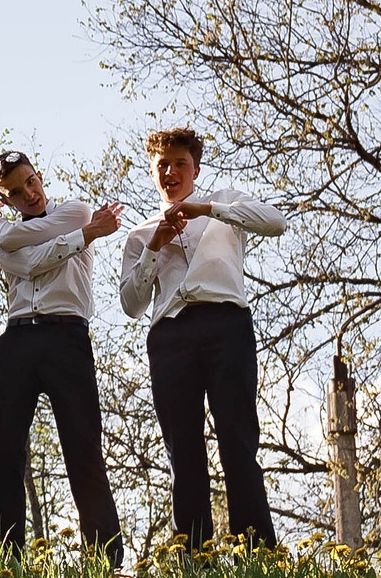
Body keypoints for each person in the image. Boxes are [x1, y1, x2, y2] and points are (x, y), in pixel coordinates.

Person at [118, 125, 287, 550]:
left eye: (180, 164)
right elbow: (132, 305)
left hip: (226, 325)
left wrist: (208, 209)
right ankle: (195, 557)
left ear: (195, 169)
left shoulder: (226, 203)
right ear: (152, 171)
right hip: (170, 337)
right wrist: (154, 246)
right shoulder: (140, 234)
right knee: (182, 449)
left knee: (238, 438)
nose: (171, 172)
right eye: (162, 165)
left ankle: (257, 552)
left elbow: (275, 222)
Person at [0, 147, 126, 565]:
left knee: (83, 446)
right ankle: (6, 559)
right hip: (17, 339)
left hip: (66, 337)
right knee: (5, 449)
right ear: (5, 199)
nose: (29, 194)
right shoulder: (5, 232)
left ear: (39, 175)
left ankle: (105, 560)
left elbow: (22, 257)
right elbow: (22, 255)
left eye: (31, 182)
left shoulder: (76, 212)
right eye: (15, 193)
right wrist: (85, 237)